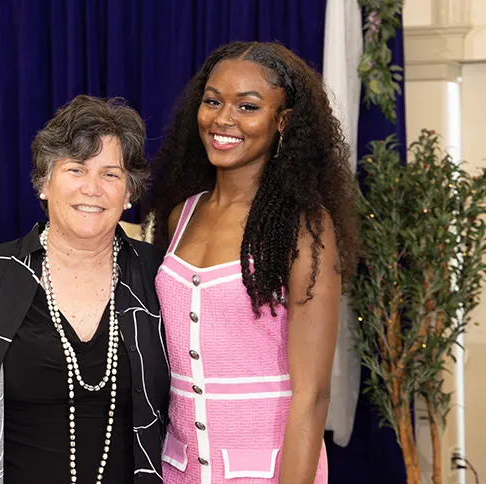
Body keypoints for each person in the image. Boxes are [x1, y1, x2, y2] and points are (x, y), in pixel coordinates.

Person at [0, 95, 170, 484]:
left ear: (129, 193)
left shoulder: (159, 275)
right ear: (44, 182)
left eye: (110, 174)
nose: (92, 188)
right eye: (76, 169)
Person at [147, 41, 358, 484]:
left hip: (270, 472)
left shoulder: (304, 228)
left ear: (283, 122)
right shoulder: (180, 215)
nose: (224, 119)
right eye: (213, 101)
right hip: (178, 471)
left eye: (248, 106)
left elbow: (313, 394)